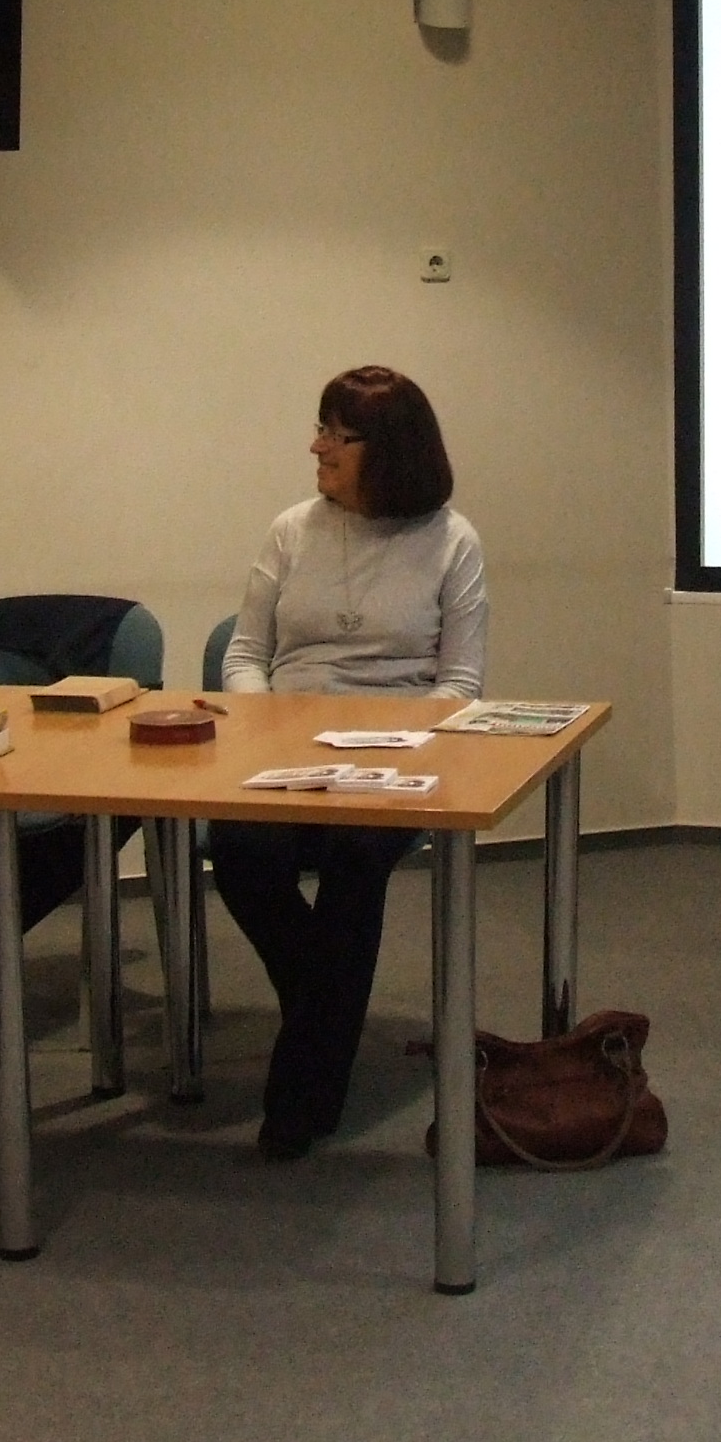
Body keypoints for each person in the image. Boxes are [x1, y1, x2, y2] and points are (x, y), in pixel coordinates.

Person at [208, 367, 486, 1161]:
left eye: (338, 435)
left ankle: (302, 1094)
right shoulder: (292, 530)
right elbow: (246, 653)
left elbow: (461, 685)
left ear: (388, 450)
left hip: (397, 760)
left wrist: (393, 740)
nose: (317, 447)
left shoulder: (452, 541)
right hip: (285, 751)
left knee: (356, 858)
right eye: (320, 428)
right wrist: (267, 724)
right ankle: (326, 1012)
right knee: (240, 850)